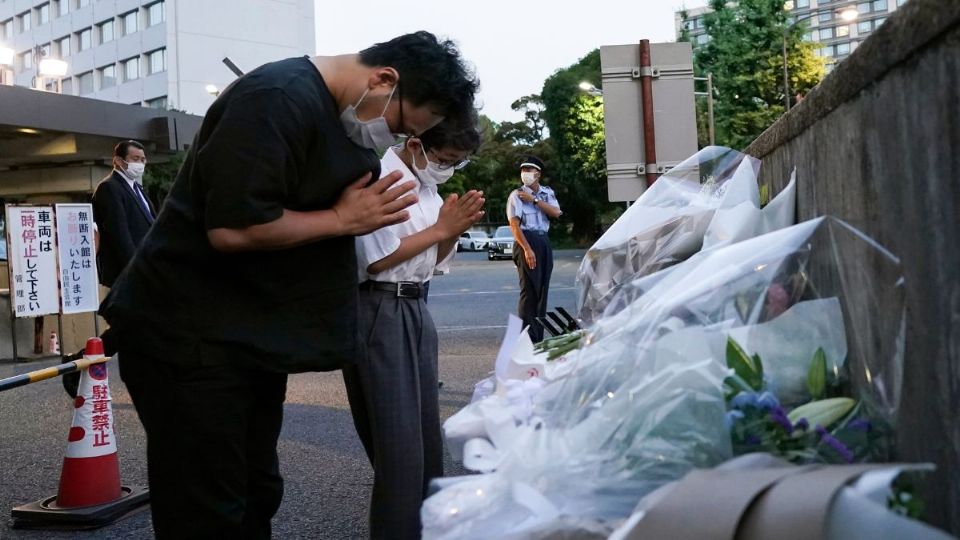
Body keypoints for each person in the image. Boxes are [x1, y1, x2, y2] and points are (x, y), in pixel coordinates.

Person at [98, 31, 479, 539]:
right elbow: (232, 229)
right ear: (383, 80)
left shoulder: (343, 120)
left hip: (247, 336)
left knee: (257, 491)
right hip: (187, 336)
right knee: (208, 508)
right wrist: (343, 219)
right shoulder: (276, 98)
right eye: (401, 125)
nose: (391, 140)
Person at [344, 116, 482, 539]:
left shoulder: (427, 188)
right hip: (379, 308)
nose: (449, 168)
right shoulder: (379, 178)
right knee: (399, 452)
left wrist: (451, 231)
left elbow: (433, 263)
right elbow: (374, 259)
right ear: (418, 145)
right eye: (446, 159)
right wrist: (443, 227)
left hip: (416, 306)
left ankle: (427, 531)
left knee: (425, 444)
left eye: (457, 162)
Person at [63, 141, 152, 397]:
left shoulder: (138, 190)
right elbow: (120, 235)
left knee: (131, 327)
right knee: (133, 326)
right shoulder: (109, 188)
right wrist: (139, 272)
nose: (140, 163)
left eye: (143, 159)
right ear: (118, 161)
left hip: (143, 271)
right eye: (135, 158)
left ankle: (79, 363)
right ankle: (79, 364)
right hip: (128, 273)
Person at [506, 156, 562, 342]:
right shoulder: (516, 195)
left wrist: (535, 200)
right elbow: (514, 225)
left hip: (543, 241)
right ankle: (525, 337)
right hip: (526, 241)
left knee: (542, 291)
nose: (525, 173)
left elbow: (556, 213)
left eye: (529, 169)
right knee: (529, 292)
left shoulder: (547, 193)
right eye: (523, 170)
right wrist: (527, 249)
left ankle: (537, 337)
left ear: (538, 173)